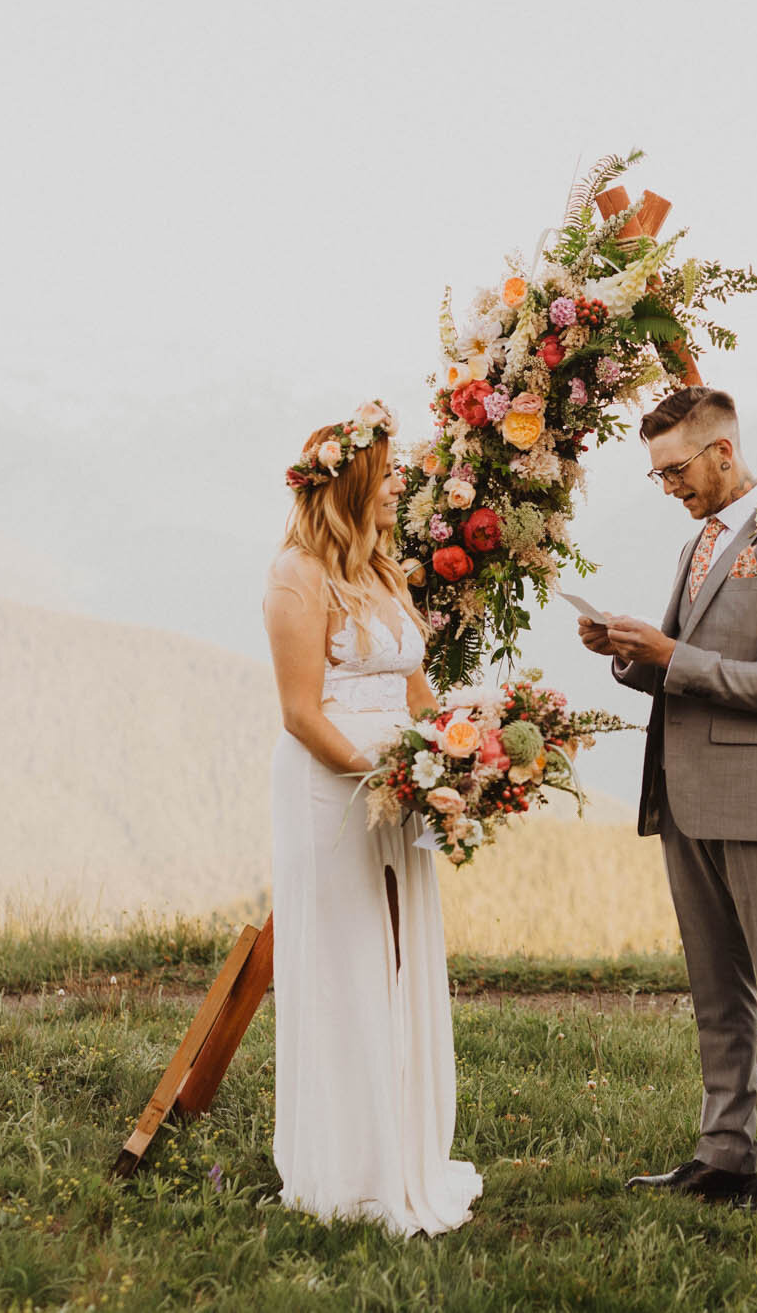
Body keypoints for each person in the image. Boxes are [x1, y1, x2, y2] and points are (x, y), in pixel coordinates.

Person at [578, 385, 757, 1215]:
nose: (670, 488)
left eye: (676, 470)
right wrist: (624, 650)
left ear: (724, 451)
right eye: (658, 476)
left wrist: (669, 654)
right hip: (685, 795)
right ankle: (723, 1151)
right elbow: (677, 658)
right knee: (715, 992)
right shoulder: (702, 543)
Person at [262, 401, 481, 1236]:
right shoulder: (296, 576)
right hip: (333, 790)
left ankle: (406, 1148)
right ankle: (345, 1163)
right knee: (347, 958)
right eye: (389, 473)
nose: (400, 486)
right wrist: (389, 772)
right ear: (354, 481)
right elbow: (299, 712)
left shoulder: (385, 573)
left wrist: (457, 750)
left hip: (399, 791)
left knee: (398, 957)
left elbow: (413, 687)